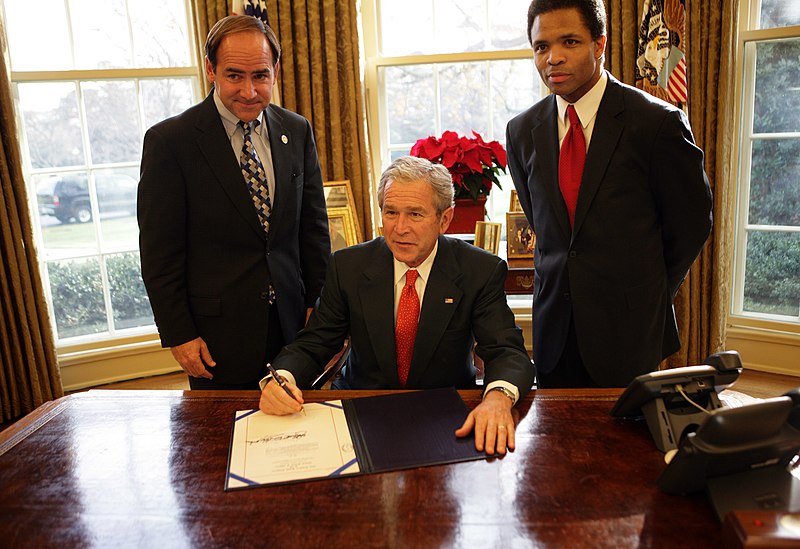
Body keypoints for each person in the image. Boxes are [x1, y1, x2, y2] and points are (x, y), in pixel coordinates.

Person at [259, 156, 535, 455]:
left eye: (415, 214)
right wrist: (281, 379)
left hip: (442, 412)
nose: (399, 228)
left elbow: (506, 350)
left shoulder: (478, 270)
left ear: (444, 219)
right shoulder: (349, 266)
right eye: (391, 212)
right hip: (361, 408)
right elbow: (314, 343)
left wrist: (497, 397)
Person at [505, 0, 712, 388]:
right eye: (542, 46)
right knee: (554, 446)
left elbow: (692, 223)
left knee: (631, 447)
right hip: (554, 334)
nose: (554, 58)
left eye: (569, 42)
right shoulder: (521, 131)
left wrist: (645, 288)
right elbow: (545, 226)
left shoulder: (656, 123)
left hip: (629, 331)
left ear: (600, 45)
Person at [138, 15, 330, 390]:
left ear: (275, 70)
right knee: (222, 441)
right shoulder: (171, 142)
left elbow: (313, 228)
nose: (248, 91)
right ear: (211, 70)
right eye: (234, 76)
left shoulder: (296, 129)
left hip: (294, 327)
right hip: (217, 338)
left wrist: (318, 306)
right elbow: (160, 253)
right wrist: (179, 334)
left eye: (259, 75)